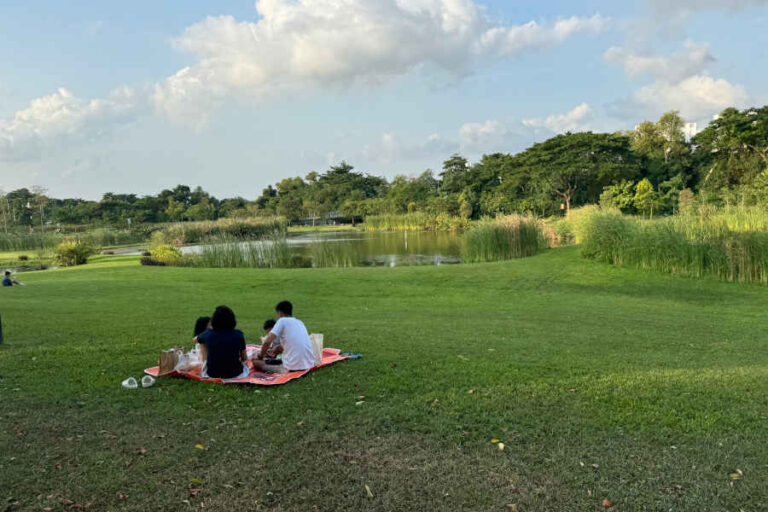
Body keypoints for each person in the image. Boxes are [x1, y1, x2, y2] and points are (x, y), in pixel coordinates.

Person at [253, 301, 315, 373]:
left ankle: (279, 368)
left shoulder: (282, 321)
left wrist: (260, 356)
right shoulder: (300, 322)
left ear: (279, 313)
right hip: (309, 364)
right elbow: (296, 342)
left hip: (292, 367)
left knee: (256, 362)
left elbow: (267, 342)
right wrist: (280, 347)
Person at [194, 306, 249, 379]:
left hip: (212, 374)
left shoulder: (208, 334)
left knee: (202, 342)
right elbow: (244, 358)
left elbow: (195, 340)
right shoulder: (239, 334)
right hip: (236, 374)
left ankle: (204, 364)